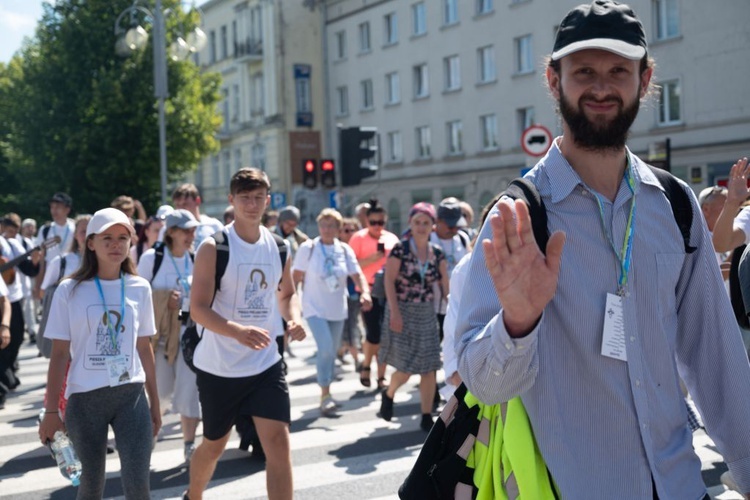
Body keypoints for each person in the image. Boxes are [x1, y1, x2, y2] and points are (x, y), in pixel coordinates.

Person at [455, 2, 750, 498]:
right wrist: (518, 324)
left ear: (645, 78)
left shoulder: (675, 204)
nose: (601, 86)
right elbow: (484, 386)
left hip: (680, 484)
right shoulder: (518, 218)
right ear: (554, 80)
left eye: (618, 70)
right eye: (583, 71)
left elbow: (714, 354)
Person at [186, 168, 306, 500]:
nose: (252, 205)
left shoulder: (279, 246)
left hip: (265, 364)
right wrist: (236, 331)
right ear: (232, 201)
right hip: (219, 367)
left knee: (279, 446)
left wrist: (293, 320)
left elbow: (286, 295)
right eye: (244, 198)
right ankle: (192, 496)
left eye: (258, 198)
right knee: (214, 446)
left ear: (268, 201)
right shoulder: (215, 247)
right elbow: (197, 308)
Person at [38, 207, 160, 499]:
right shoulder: (69, 290)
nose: (116, 244)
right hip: (84, 400)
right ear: (90, 243)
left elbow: (145, 348)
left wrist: (155, 403)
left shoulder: (139, 287)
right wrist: (52, 411)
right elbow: (59, 355)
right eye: (107, 238)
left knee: (138, 486)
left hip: (131, 397)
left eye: (123, 237)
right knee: (90, 488)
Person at [292, 209, 371, 416]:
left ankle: (326, 393)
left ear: (338, 229)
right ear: (319, 227)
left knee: (332, 350)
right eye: (323, 225)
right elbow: (295, 278)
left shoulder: (344, 250)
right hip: (313, 309)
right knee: (326, 348)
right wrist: (292, 308)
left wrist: (365, 293)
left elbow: (357, 275)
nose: (327, 230)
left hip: (337, 310)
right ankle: (325, 394)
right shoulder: (307, 249)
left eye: (331, 226)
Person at [137, 209, 201, 464]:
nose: (191, 235)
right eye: (186, 230)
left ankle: (189, 444)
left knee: (189, 394)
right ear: (171, 232)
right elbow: (137, 298)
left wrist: (187, 302)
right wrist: (164, 301)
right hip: (160, 341)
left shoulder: (196, 259)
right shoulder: (152, 258)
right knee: (159, 395)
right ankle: (148, 439)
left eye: (193, 230)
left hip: (189, 338)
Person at [379, 202, 448, 431]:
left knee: (429, 367)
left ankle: (426, 415)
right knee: (406, 369)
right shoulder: (400, 249)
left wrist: (454, 310)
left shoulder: (437, 254)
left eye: (426, 223)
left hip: (426, 312)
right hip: (402, 310)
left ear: (432, 226)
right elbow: (389, 280)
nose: (421, 226)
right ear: (410, 223)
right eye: (417, 222)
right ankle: (388, 393)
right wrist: (395, 313)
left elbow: (446, 288)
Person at [348, 200, 400, 389]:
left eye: (381, 223)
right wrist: (373, 259)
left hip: (389, 291)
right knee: (374, 334)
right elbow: (352, 268)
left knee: (386, 335)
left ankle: (380, 376)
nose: (377, 227)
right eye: (373, 222)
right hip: (368, 291)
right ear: (366, 221)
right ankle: (366, 364)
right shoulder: (358, 238)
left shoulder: (392, 239)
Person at [0, 214, 41, 400]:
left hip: (11, 297)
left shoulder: (12, 245)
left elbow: (28, 269)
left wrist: (35, 260)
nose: (11, 233)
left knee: (15, 338)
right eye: (8, 229)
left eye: (14, 231)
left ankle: (6, 373)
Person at [430, 198, 471, 341]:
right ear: (438, 220)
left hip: (457, 307)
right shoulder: (428, 239)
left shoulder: (462, 238)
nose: (454, 229)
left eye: (456, 225)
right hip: (432, 308)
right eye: (450, 225)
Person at [34, 193, 75, 301]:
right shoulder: (45, 229)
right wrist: (38, 284)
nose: (54, 211)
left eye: (58, 207)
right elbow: (41, 258)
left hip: (70, 276)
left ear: (67, 209)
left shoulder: (74, 228)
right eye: (52, 207)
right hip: (50, 278)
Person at [337, 218, 364, 367]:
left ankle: (351, 354)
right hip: (338, 295)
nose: (350, 234)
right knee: (345, 325)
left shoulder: (359, 248)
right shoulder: (337, 249)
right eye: (346, 231)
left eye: (353, 230)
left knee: (353, 324)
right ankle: (345, 351)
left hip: (356, 293)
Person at [172, 184, 224, 249]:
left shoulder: (214, 225)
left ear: (197, 201)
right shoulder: (171, 229)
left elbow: (224, 249)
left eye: (185, 204)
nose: (180, 209)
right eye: (177, 205)